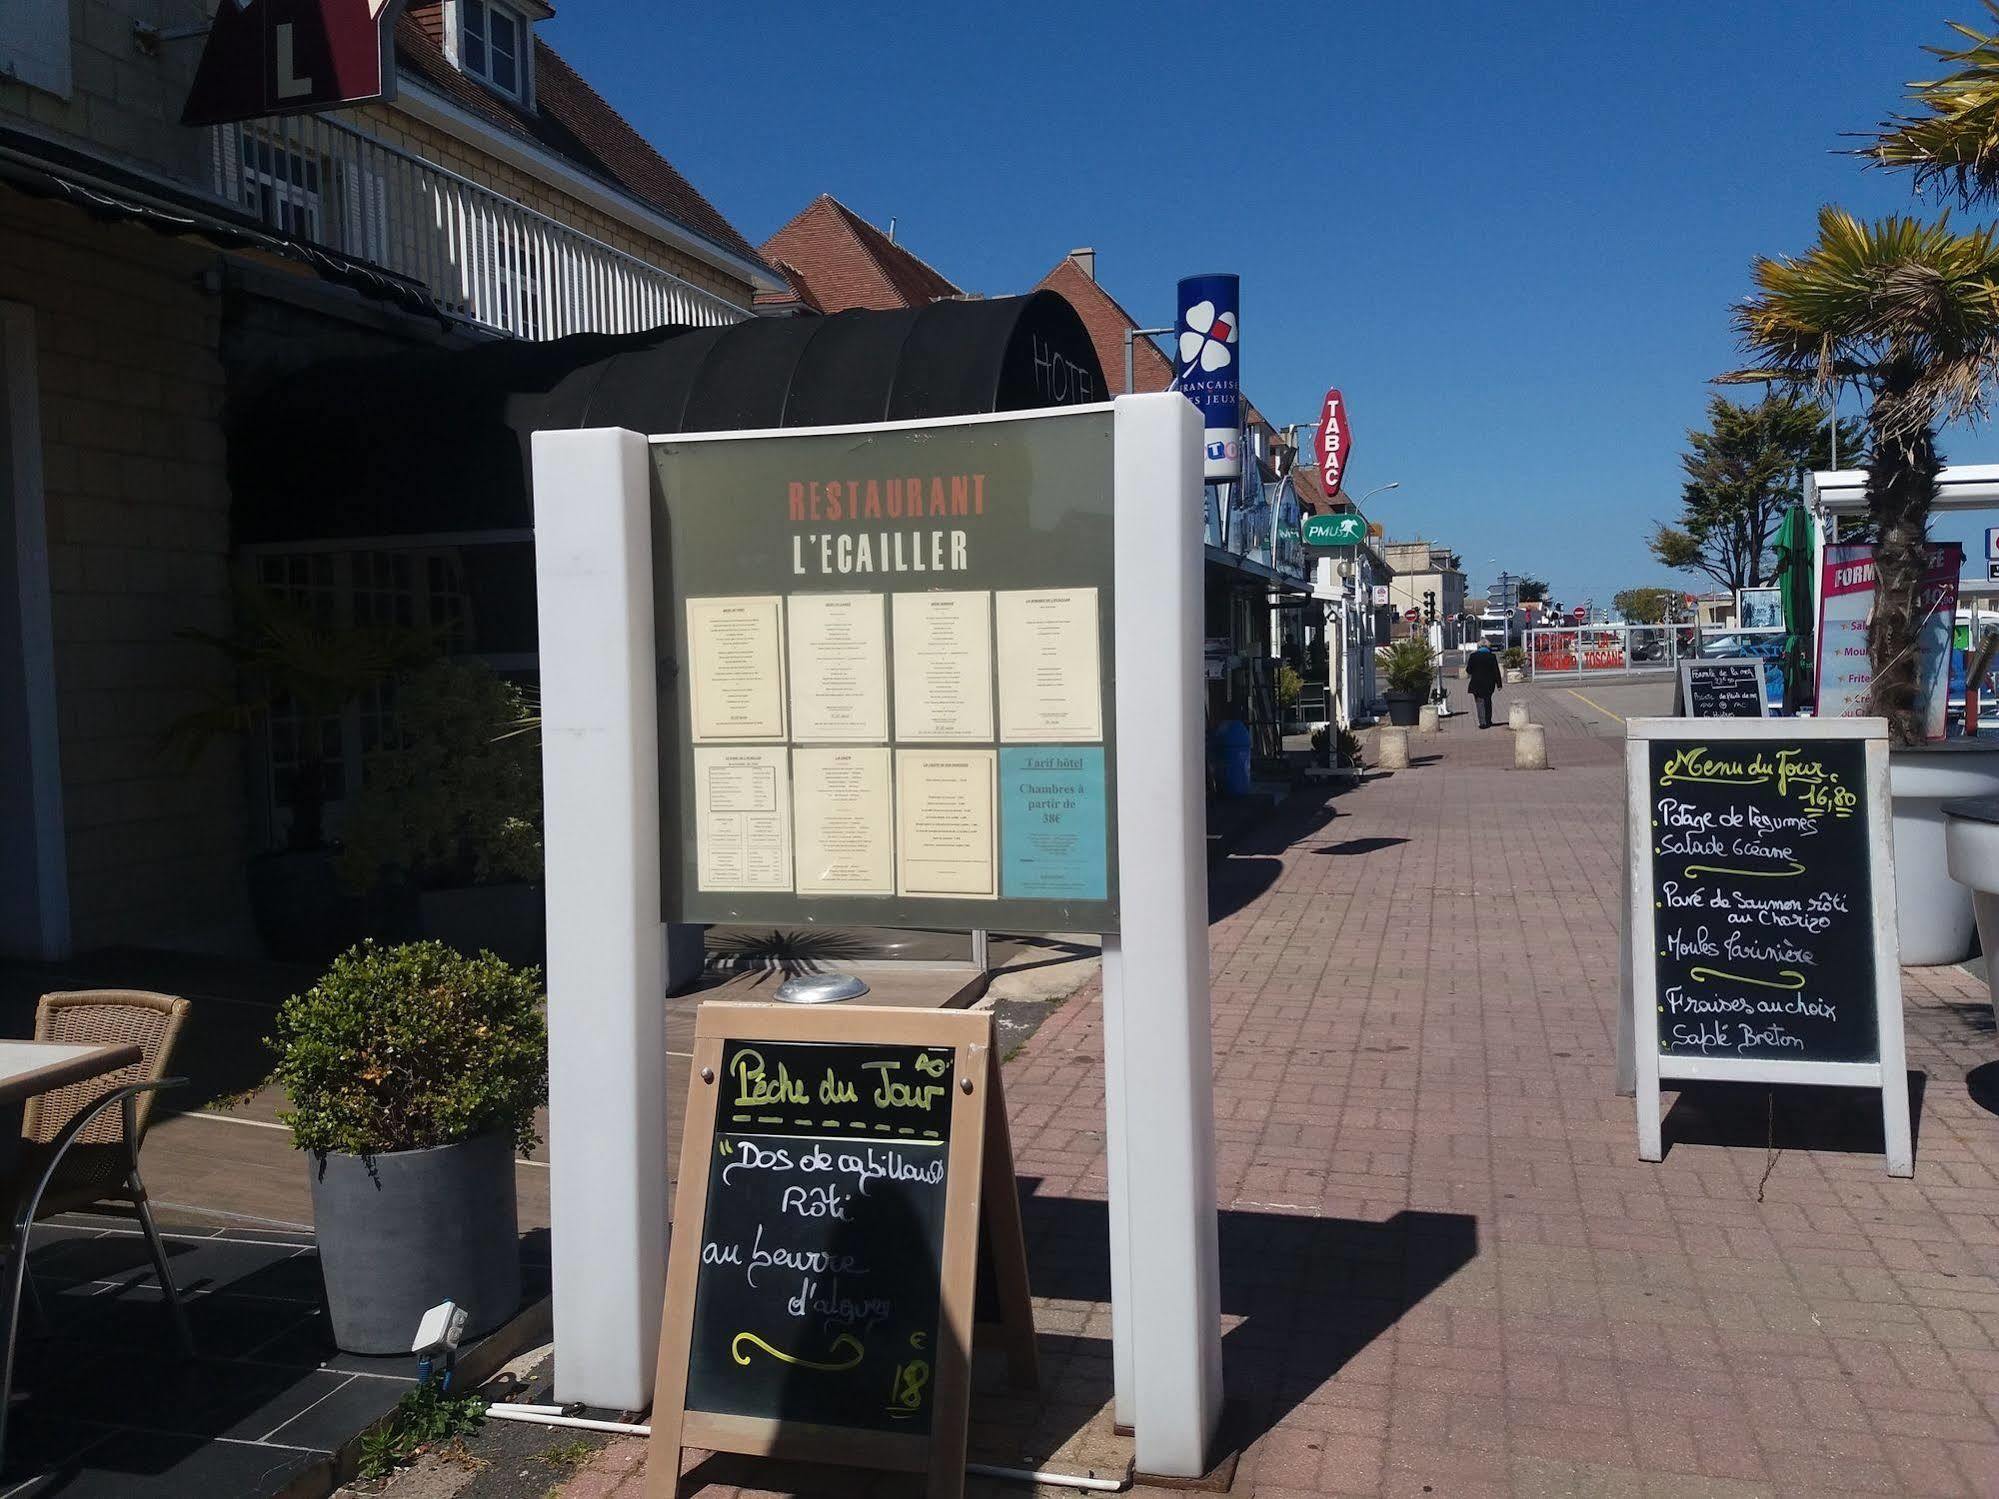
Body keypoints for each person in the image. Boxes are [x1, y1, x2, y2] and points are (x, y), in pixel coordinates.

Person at [1464, 638, 1503, 728]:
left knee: (1479, 702)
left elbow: (1468, 670)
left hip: (1476, 683)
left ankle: (1482, 722)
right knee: (1488, 701)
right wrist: (1499, 685)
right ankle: (1488, 720)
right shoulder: (1492, 656)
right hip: (1489, 684)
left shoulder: (1473, 656)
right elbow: (1496, 671)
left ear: (1479, 646)